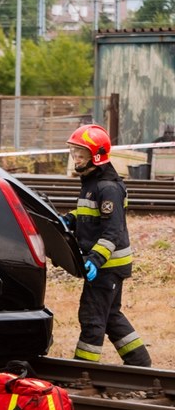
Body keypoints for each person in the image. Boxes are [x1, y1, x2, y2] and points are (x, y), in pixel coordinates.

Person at [62, 124, 151, 366]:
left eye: (81, 155)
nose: (76, 159)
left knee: (92, 317)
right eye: (74, 153)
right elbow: (90, 213)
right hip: (108, 264)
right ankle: (139, 362)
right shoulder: (92, 181)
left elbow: (113, 230)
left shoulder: (108, 187)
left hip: (108, 264)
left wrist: (95, 260)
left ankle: (83, 372)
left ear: (96, 157)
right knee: (111, 315)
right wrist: (71, 218)